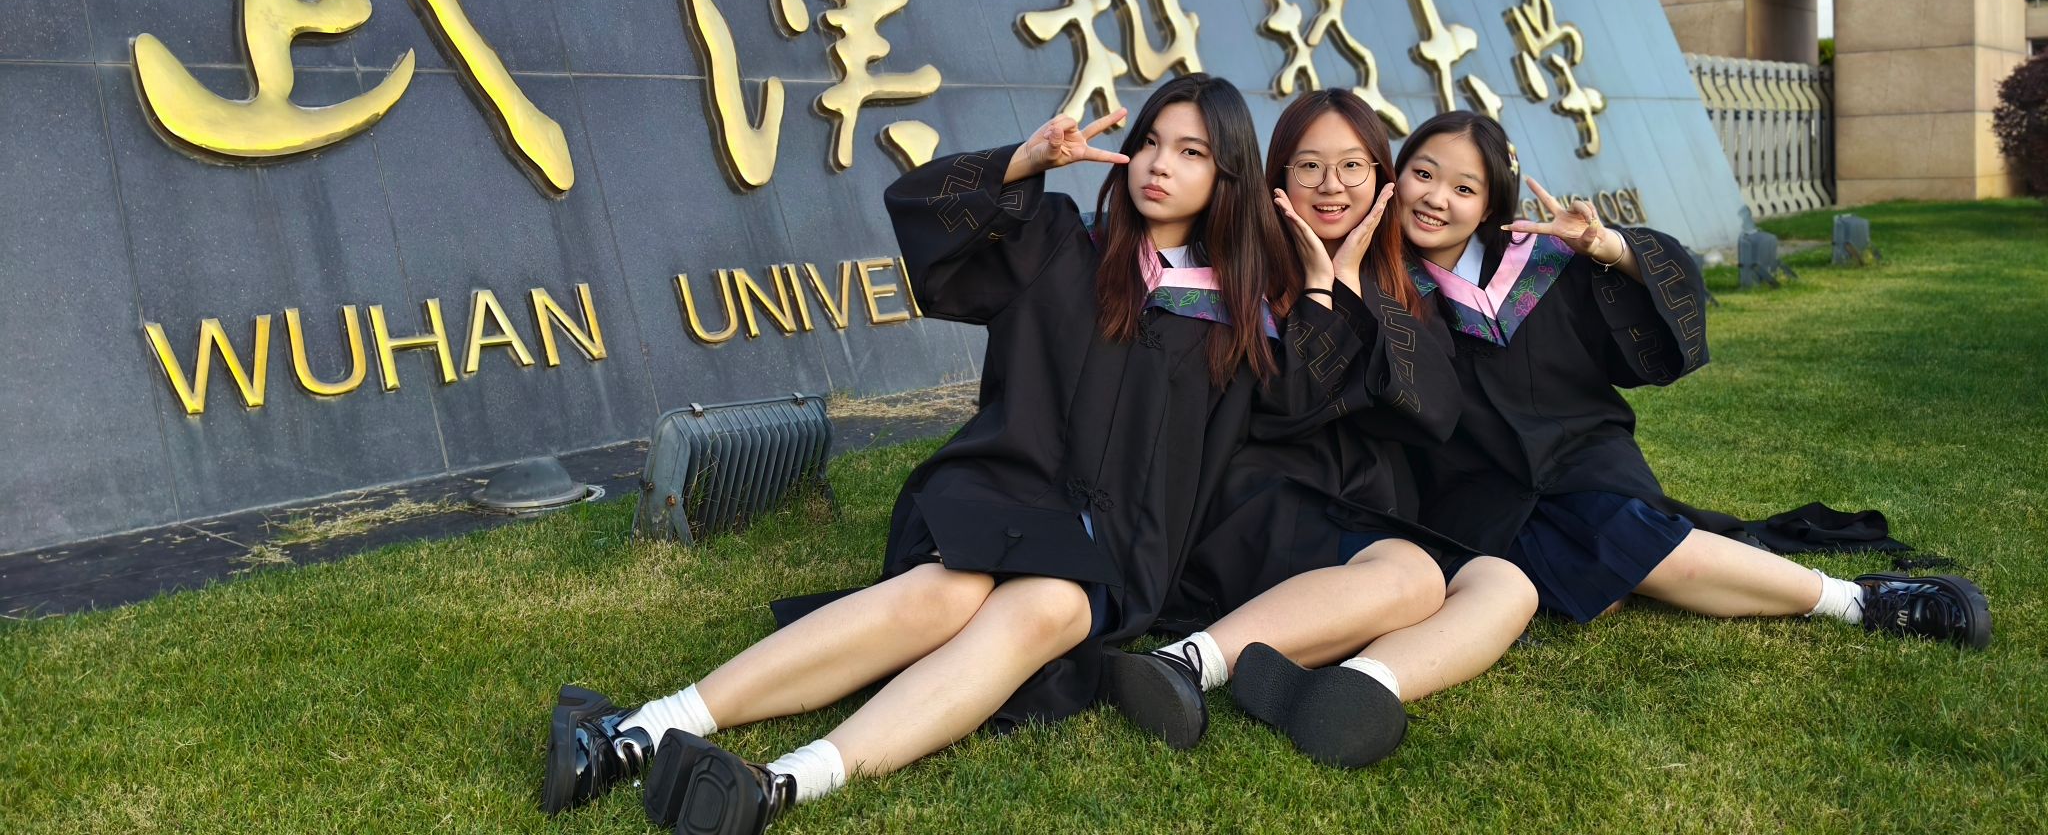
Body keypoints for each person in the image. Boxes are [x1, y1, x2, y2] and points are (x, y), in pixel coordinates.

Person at [541, 76, 1350, 834]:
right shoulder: (1058, 242)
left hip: (1110, 552)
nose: (1158, 165)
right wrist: (1022, 162)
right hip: (1002, 492)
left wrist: (1320, 286)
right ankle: (642, 729)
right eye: (1150, 143)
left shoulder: (1236, 319)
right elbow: (923, 218)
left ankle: (780, 782)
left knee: (1055, 607)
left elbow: (1296, 416)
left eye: (1191, 152)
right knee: (948, 591)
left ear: (1228, 179)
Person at [1389, 110, 1990, 647]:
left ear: (1490, 205)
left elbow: (1656, 321)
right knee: (1599, 576)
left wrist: (1607, 247)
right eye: (1423, 174)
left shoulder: (1539, 260)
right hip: (1475, 486)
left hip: (1579, 456)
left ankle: (1858, 601)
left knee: (1622, 541)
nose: (1436, 198)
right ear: (1397, 174)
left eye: (1464, 188)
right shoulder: (1376, 281)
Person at [1101, 89, 1538, 769]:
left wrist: (1351, 282)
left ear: (1380, 178)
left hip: (1355, 507)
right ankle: (1184, 663)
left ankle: (1355, 686)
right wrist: (1315, 287)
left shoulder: (1396, 283)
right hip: (1257, 503)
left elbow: (1434, 411)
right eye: (1308, 166)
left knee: (1507, 586)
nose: (1331, 186)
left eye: (1352, 167)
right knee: (1410, 577)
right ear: (1277, 176)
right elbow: (1286, 407)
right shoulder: (1236, 273)